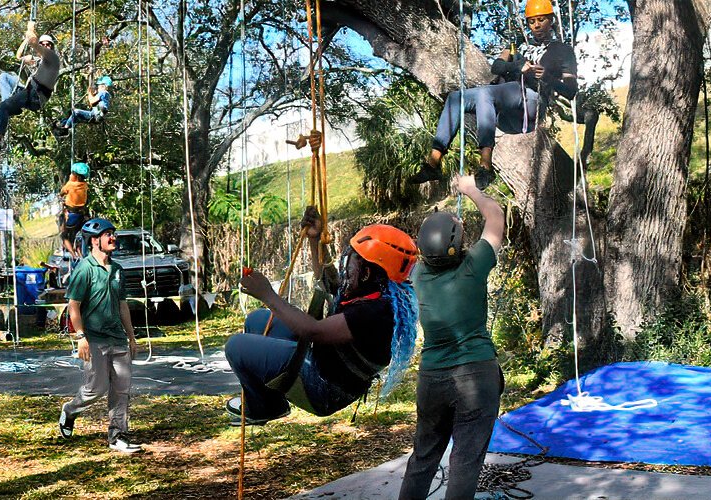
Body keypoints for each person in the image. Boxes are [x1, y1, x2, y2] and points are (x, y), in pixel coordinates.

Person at [224, 209, 420, 426]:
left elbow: (313, 331)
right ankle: (270, 400)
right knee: (258, 320)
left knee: (237, 346)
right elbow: (330, 284)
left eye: (351, 261)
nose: (345, 268)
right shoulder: (374, 292)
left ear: (366, 273)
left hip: (323, 387)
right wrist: (315, 239)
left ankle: (264, 408)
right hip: (324, 365)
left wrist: (267, 295)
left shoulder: (374, 312)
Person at [398, 174, 507, 500]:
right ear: (457, 244)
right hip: (476, 375)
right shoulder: (475, 264)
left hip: (431, 378)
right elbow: (496, 216)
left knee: (422, 458)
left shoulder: (416, 276)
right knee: (464, 462)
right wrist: (470, 189)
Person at [408, 0, 577, 189]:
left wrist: (547, 77)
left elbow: (571, 91)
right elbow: (496, 66)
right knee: (455, 98)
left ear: (551, 20)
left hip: (532, 105)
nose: (536, 25)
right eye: (532, 21)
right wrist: (516, 65)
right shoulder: (518, 43)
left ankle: (486, 166)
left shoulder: (563, 51)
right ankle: (433, 164)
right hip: (507, 112)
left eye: (541, 20)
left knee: (485, 95)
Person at [54, 217, 143, 453]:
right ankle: (70, 410)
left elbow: (122, 305)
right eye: (108, 235)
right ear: (95, 241)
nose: (113, 238)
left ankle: (118, 436)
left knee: (121, 389)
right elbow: (73, 305)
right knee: (96, 388)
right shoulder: (84, 269)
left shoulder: (117, 270)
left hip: (118, 339)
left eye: (113, 233)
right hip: (94, 339)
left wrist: (131, 336)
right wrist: (80, 337)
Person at [0, 25, 63, 152]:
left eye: (48, 44)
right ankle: (9, 104)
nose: (45, 46)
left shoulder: (53, 59)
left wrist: (30, 29)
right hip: (28, 90)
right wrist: (26, 40)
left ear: (51, 47)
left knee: (3, 107)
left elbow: (33, 41)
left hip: (36, 96)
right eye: (43, 43)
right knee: (4, 77)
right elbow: (19, 56)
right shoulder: (38, 60)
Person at [58, 163, 91, 258]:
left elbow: (61, 193)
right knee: (80, 234)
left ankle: (73, 255)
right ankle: (80, 252)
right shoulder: (84, 185)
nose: (69, 175)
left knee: (63, 235)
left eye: (71, 173)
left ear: (75, 176)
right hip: (82, 214)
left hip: (71, 214)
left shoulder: (70, 184)